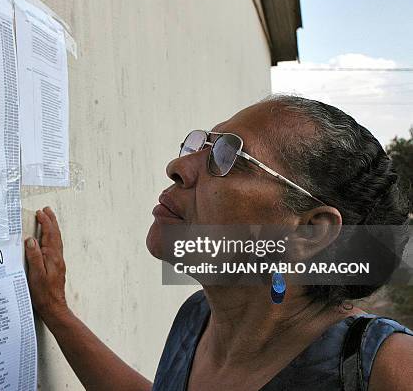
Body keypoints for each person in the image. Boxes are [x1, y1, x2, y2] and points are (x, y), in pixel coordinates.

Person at [23, 95, 413, 391]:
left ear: (310, 230)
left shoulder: (385, 369)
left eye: (229, 155)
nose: (178, 167)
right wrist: (57, 311)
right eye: (203, 145)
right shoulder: (198, 316)